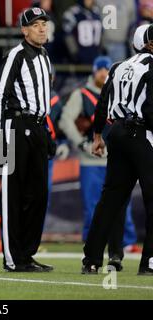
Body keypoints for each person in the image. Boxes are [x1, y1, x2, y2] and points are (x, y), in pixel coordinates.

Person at [82, 24, 153, 275]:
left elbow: (103, 103)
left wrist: (98, 134)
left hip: (117, 134)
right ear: (148, 44)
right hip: (143, 134)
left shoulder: (118, 66)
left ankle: (90, 259)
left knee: (110, 199)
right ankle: (149, 262)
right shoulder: (150, 65)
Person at [59, 56, 140, 270]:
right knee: (95, 206)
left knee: (120, 206)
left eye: (107, 69)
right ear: (94, 72)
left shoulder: (118, 89)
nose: (104, 74)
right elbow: (66, 120)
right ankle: (93, 248)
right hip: (91, 158)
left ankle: (118, 249)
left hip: (115, 155)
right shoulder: (82, 94)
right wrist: (82, 144)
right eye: (100, 70)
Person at [0, 7, 54, 272]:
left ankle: (27, 254)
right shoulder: (15, 55)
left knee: (38, 194)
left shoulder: (45, 57)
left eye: (44, 24)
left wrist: (49, 132)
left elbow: (44, 100)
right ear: (24, 29)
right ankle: (12, 257)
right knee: (13, 194)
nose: (41, 28)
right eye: (36, 24)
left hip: (39, 127)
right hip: (15, 126)